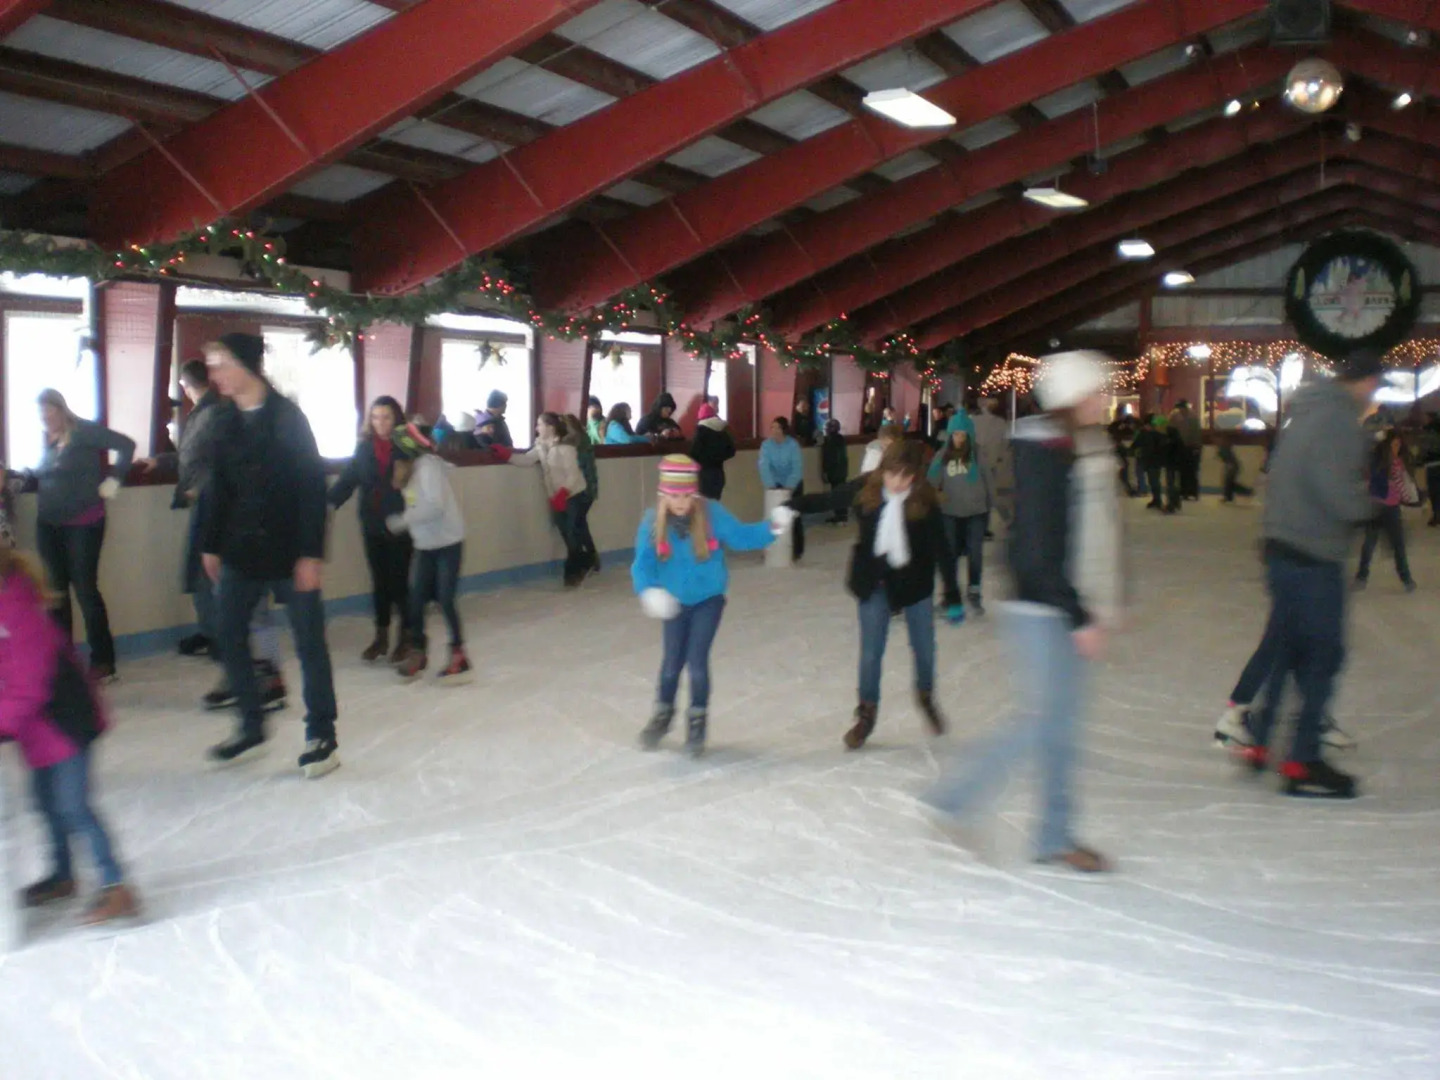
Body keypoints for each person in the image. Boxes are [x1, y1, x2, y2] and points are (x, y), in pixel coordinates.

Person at [923, 353, 1123, 874]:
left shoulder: (1075, 448)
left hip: (1056, 602)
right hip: (1041, 608)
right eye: (1095, 391)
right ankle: (957, 799)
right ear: (1072, 398)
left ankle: (1053, 835)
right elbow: (1038, 552)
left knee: (1058, 727)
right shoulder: (1047, 454)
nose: (1103, 399)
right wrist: (1078, 615)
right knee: (1043, 723)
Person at [1230, 348, 1382, 798]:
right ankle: (1303, 760)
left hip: (1284, 549)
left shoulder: (1305, 413)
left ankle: (1260, 742)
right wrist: (1369, 509)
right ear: (1362, 381)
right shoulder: (1337, 420)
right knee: (1323, 656)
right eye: (1374, 383)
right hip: (1313, 554)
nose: (1375, 393)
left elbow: (1282, 477)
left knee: (1289, 650)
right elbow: (1334, 490)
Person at [200, 333, 340, 778]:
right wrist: (210, 543)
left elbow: (311, 490)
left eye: (220, 363)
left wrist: (310, 555)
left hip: (289, 550)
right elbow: (217, 488)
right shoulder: (223, 422)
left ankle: (322, 734)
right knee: (227, 633)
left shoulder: (287, 418)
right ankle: (251, 724)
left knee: (308, 643)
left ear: (246, 365)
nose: (214, 374)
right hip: (241, 550)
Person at [0, 544, 139, 925]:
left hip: (66, 724)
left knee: (73, 806)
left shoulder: (17, 610)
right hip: (38, 729)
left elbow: (28, 685)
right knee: (45, 802)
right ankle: (62, 876)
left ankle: (117, 886)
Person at [148, 361, 287, 714]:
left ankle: (266, 677)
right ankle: (239, 676)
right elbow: (203, 463)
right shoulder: (223, 418)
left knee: (253, 611)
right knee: (230, 610)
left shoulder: (262, 424)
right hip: (225, 528)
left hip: (255, 534)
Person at [632, 456, 789, 757]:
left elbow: (742, 537)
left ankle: (697, 722)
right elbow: (643, 564)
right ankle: (662, 716)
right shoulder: (653, 523)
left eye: (686, 496)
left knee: (697, 662)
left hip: (709, 600)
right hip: (673, 602)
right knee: (670, 665)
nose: (680, 503)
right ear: (664, 496)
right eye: (674, 497)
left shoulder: (711, 514)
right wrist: (649, 591)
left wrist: (774, 526)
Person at [843, 440, 962, 751]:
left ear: (915, 477)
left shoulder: (924, 502)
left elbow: (943, 551)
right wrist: (791, 505)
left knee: (924, 649)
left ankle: (926, 696)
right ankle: (866, 714)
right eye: (892, 474)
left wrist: (953, 593)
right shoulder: (866, 492)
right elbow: (826, 499)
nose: (897, 483)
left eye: (905, 477)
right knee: (871, 652)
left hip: (915, 584)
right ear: (883, 470)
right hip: (875, 583)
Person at [23, 389, 134, 683]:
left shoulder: (83, 431)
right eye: (41, 415)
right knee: (56, 594)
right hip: (48, 525)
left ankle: (103, 662)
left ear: (62, 409)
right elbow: (42, 474)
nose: (45, 419)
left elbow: (126, 445)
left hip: (83, 524)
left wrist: (114, 481)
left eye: (49, 412)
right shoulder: (47, 440)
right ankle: (65, 663)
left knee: (85, 590)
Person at [328, 396, 415, 663]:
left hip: (399, 523)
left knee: (399, 582)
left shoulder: (406, 445)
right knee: (379, 581)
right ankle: (381, 636)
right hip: (372, 523)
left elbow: (419, 480)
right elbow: (349, 479)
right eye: (375, 417)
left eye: (386, 417)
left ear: (397, 419)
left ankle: (406, 638)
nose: (380, 423)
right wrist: (328, 503)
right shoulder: (364, 448)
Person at [387, 423, 471, 683]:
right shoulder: (410, 470)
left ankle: (459, 654)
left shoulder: (428, 468)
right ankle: (418, 652)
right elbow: (417, 503)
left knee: (445, 598)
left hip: (448, 543)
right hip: (425, 545)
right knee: (415, 599)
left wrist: (402, 521)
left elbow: (434, 507)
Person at [511, 412, 591, 586]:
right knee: (567, 535)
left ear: (551, 427)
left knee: (571, 533)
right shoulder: (541, 446)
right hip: (556, 497)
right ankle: (585, 562)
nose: (536, 428)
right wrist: (505, 455)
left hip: (574, 495)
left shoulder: (565, 447)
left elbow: (573, 475)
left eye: (539, 424)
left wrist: (563, 493)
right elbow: (526, 459)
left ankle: (572, 573)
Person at [928, 412, 993, 616]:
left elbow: (989, 482)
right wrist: (933, 498)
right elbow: (931, 482)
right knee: (950, 555)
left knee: (975, 554)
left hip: (976, 513)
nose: (959, 439)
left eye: (963, 435)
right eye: (955, 434)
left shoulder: (978, 454)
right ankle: (950, 595)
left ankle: (974, 592)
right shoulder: (942, 455)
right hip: (950, 513)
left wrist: (991, 506)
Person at [1355, 427, 1416, 592]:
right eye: (1394, 444)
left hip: (1390, 507)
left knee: (1398, 545)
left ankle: (1406, 579)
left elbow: (1401, 484)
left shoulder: (1397, 461)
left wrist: (1406, 497)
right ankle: (1362, 576)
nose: (1396, 448)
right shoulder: (1380, 461)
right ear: (1388, 444)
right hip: (1377, 507)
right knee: (1370, 544)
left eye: (1398, 445)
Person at [759, 416, 805, 562]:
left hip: (793, 485)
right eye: (772, 427)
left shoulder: (793, 445)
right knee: (772, 517)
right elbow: (763, 465)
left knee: (793, 517)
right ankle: (770, 548)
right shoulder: (766, 445)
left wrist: (789, 487)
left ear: (784, 430)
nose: (774, 430)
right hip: (774, 485)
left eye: (777, 427)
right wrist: (771, 485)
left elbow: (797, 467)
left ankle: (796, 550)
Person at [562, 414, 601, 575]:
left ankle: (586, 558)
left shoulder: (575, 443)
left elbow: (579, 467)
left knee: (575, 525)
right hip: (587, 489)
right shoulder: (582, 441)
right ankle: (591, 556)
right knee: (580, 524)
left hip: (581, 490)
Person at [971, 395, 1012, 537]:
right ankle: (1000, 521)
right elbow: (1005, 443)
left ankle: (980, 526)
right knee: (990, 494)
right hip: (992, 462)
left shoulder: (974, 421)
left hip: (976, 461)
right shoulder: (1001, 423)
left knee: (981, 494)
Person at [690, 401, 736, 501]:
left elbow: (694, 453)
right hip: (718, 473)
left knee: (704, 507)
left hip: (704, 474)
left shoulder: (701, 430)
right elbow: (731, 450)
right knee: (715, 502)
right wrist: (718, 458)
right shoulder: (722, 429)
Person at [1133, 414, 1166, 511]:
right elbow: (1136, 444)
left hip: (1152, 460)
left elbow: (1136, 444)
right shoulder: (1148, 434)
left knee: (1154, 480)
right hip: (1151, 460)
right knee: (1153, 481)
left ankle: (1157, 499)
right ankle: (1156, 499)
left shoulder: (1153, 434)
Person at [1172, 399, 1203, 500]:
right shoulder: (1178, 417)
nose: (1180, 410)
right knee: (1184, 471)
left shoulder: (1192, 418)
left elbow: (1195, 434)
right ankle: (1185, 491)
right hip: (1183, 448)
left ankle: (1191, 492)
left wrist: (1196, 447)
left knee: (1191, 471)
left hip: (1191, 447)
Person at [821, 418, 850, 524]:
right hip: (842, 471)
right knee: (841, 493)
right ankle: (843, 516)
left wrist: (825, 471)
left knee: (836, 494)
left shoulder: (829, 441)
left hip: (834, 472)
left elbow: (828, 458)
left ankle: (840, 517)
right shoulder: (841, 439)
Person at [1108, 407, 1139, 496]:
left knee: (1126, 469)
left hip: (1122, 448)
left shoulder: (1118, 425)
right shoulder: (1122, 424)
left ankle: (1128, 487)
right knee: (1127, 469)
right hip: (1123, 448)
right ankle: (1129, 488)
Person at [1216, 431, 1254, 503]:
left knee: (1229, 483)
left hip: (1232, 466)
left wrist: (1219, 454)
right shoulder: (1224, 446)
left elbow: (1226, 458)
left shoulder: (1223, 447)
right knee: (1230, 483)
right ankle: (1231, 496)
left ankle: (1245, 492)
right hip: (1233, 465)